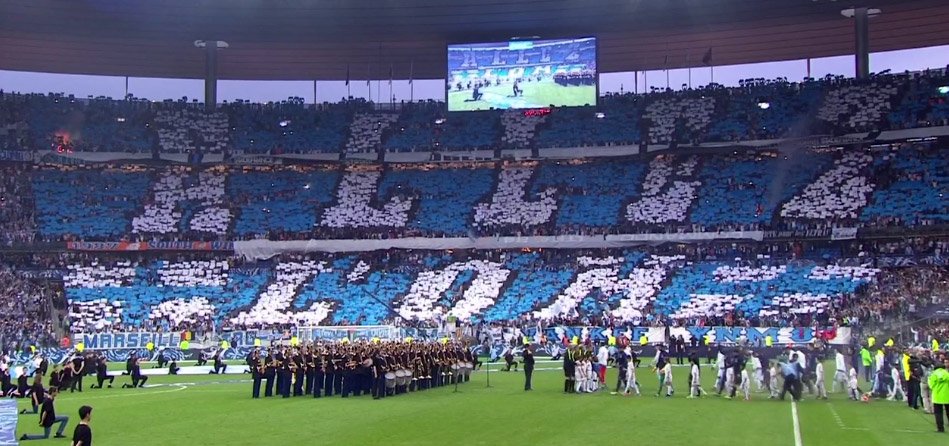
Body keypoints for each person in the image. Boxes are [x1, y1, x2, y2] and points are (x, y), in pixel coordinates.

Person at [929, 355, 948, 433]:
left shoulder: (933, 375)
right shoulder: (947, 374)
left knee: (938, 413)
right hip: (947, 396)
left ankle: (940, 428)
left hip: (937, 396)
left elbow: (931, 385)